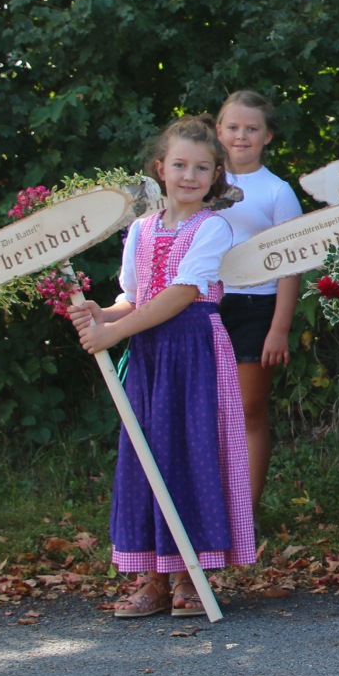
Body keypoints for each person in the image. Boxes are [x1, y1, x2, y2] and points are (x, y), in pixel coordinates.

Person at [67, 116, 257, 618]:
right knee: (146, 453)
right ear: (160, 169)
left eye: (202, 168)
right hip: (150, 354)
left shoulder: (212, 227)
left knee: (192, 453)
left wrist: (114, 333)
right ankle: (153, 578)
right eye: (180, 165)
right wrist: (101, 315)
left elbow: (182, 293)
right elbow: (133, 297)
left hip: (193, 350)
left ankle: (190, 577)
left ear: (215, 175)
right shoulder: (141, 229)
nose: (190, 176)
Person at [213, 89, 303, 509]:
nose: (241, 136)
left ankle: (245, 512)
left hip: (256, 307)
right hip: (204, 304)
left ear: (267, 136)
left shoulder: (276, 191)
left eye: (251, 129)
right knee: (208, 409)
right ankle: (211, 507)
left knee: (248, 408)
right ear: (218, 131)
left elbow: (293, 263)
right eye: (233, 127)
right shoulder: (200, 180)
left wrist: (279, 328)